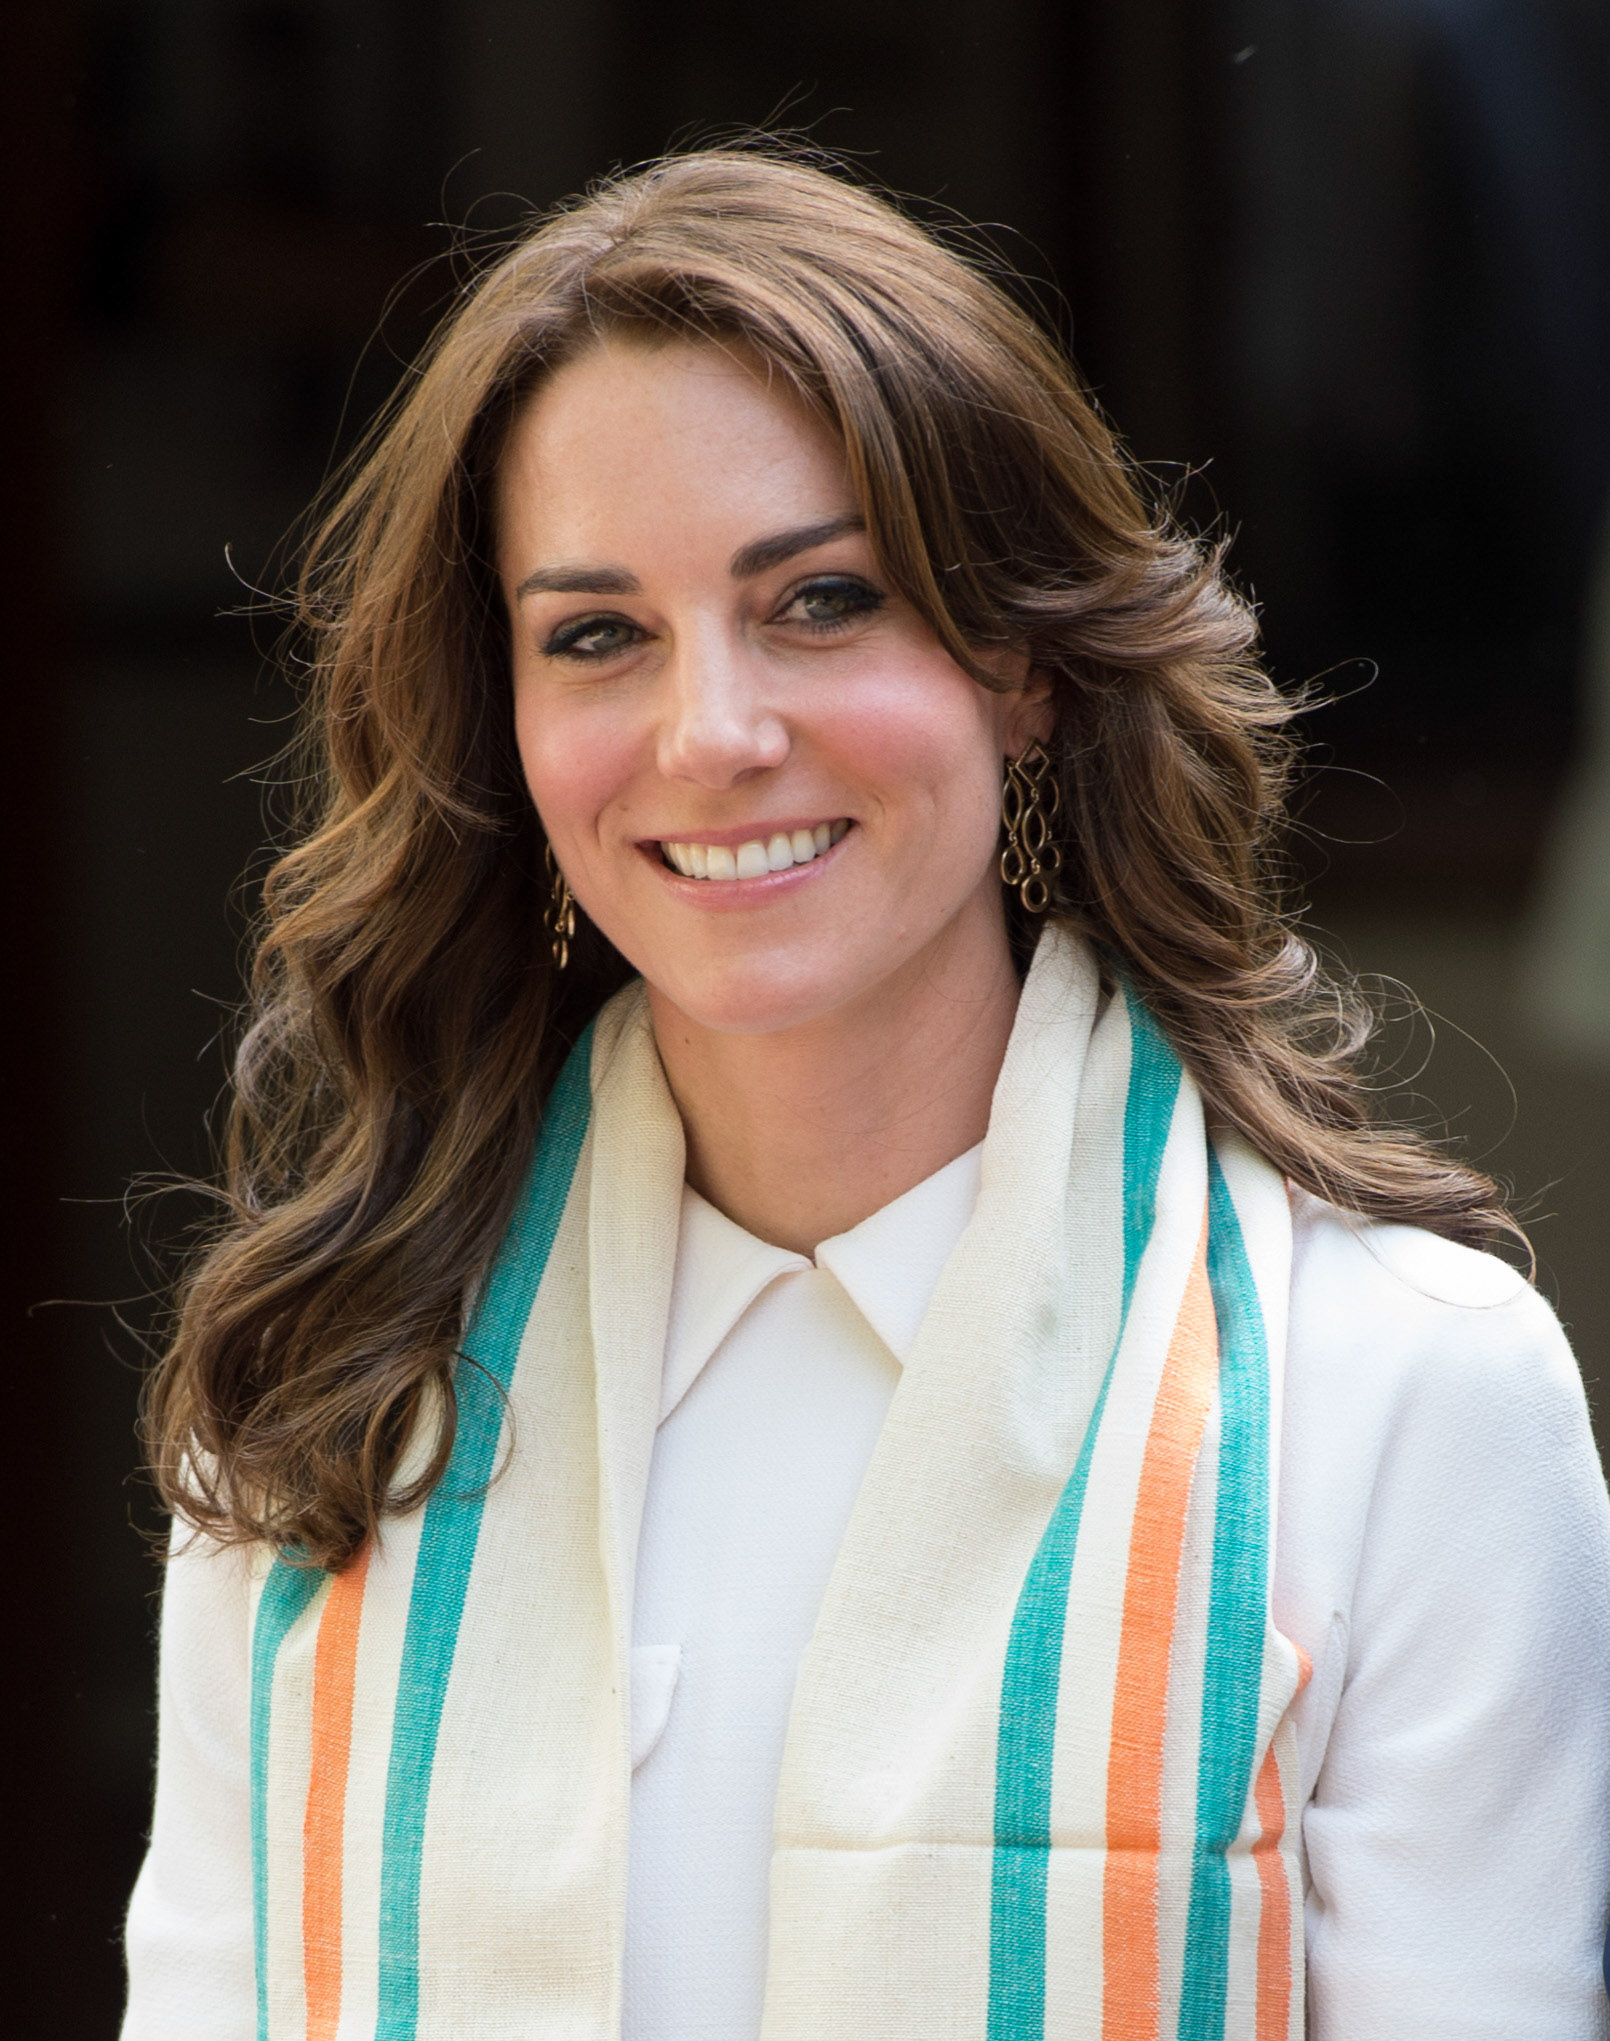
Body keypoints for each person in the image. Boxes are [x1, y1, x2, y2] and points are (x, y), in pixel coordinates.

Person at [122, 148, 1610, 2041]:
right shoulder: (338, 1398)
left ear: (1022, 666)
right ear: (503, 724)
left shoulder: (1397, 1393)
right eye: (596, 634)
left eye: (820, 600)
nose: (712, 734)